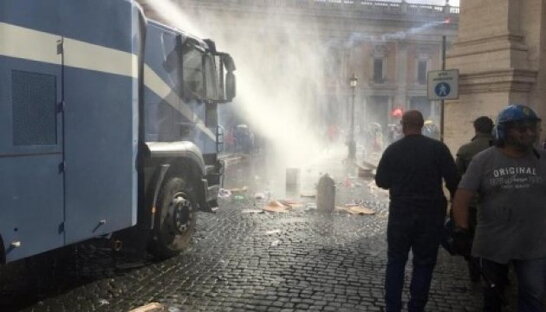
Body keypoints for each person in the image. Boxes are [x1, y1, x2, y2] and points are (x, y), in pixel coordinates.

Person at [452, 104, 546, 311]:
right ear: (504, 131)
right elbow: (462, 197)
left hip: (534, 244)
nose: (529, 133)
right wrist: (461, 229)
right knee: (493, 297)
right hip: (493, 244)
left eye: (532, 128)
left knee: (534, 295)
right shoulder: (483, 160)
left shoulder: (542, 158)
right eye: (522, 129)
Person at [375, 110, 459, 312]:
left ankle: (392, 307)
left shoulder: (393, 150)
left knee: (396, 260)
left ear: (403, 125)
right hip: (431, 214)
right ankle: (416, 306)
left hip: (400, 213)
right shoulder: (438, 149)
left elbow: (381, 181)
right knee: (424, 262)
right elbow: (454, 181)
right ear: (421, 125)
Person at [454, 116, 495, 282]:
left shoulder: (466, 149)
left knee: (472, 238)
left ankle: (474, 268)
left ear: (476, 129)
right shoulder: (504, 149)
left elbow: (457, 178)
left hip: (472, 204)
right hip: (496, 204)